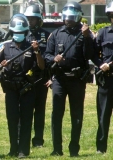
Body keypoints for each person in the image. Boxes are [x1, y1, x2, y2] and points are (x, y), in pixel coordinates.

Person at [44, 1, 94, 157]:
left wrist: (86, 38)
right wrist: (54, 59)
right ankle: (57, 148)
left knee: (76, 115)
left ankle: (74, 149)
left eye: (71, 17)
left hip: (77, 80)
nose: (68, 19)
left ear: (78, 17)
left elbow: (90, 55)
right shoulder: (57, 33)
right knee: (56, 114)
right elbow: (47, 55)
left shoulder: (85, 33)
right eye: (66, 17)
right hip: (59, 78)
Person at [0, 13, 45, 158]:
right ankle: (13, 149)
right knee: (12, 119)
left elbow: (41, 67)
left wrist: (36, 52)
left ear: (26, 32)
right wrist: (1, 64)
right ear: (11, 32)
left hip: (26, 88)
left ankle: (23, 150)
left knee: (26, 119)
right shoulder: (5, 47)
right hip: (10, 88)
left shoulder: (31, 47)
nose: (19, 35)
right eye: (16, 33)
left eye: (21, 33)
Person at [24, 3, 51, 148]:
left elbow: (49, 58)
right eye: (28, 19)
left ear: (39, 19)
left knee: (40, 111)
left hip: (41, 77)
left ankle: (38, 140)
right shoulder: (22, 34)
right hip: (26, 78)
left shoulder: (47, 35)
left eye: (33, 19)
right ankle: (24, 138)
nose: (30, 22)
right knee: (25, 110)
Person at [94, 1, 113, 154]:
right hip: (106, 80)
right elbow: (93, 53)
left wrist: (110, 65)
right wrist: (100, 64)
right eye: (112, 15)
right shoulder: (103, 33)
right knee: (103, 115)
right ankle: (101, 148)